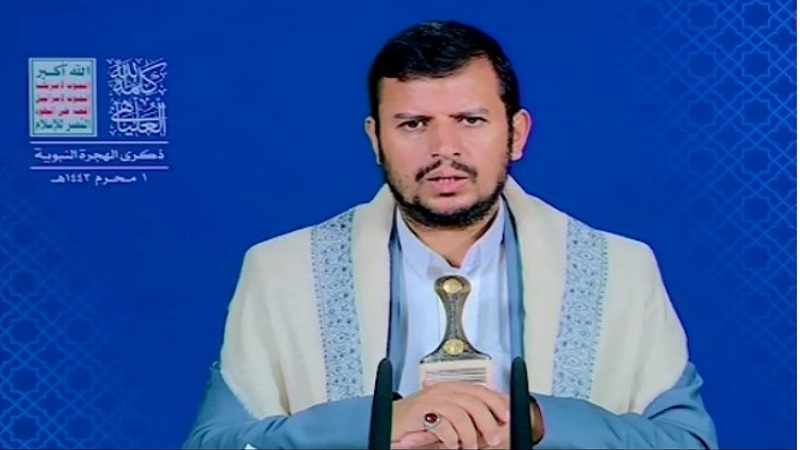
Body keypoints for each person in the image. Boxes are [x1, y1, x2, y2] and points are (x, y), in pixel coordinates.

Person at [182, 20, 717, 449]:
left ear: (516, 133)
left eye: (470, 120)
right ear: (376, 139)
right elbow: (215, 443)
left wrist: (538, 423)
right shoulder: (283, 271)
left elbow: (688, 442)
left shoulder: (618, 268)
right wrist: (377, 425)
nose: (444, 149)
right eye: (413, 124)